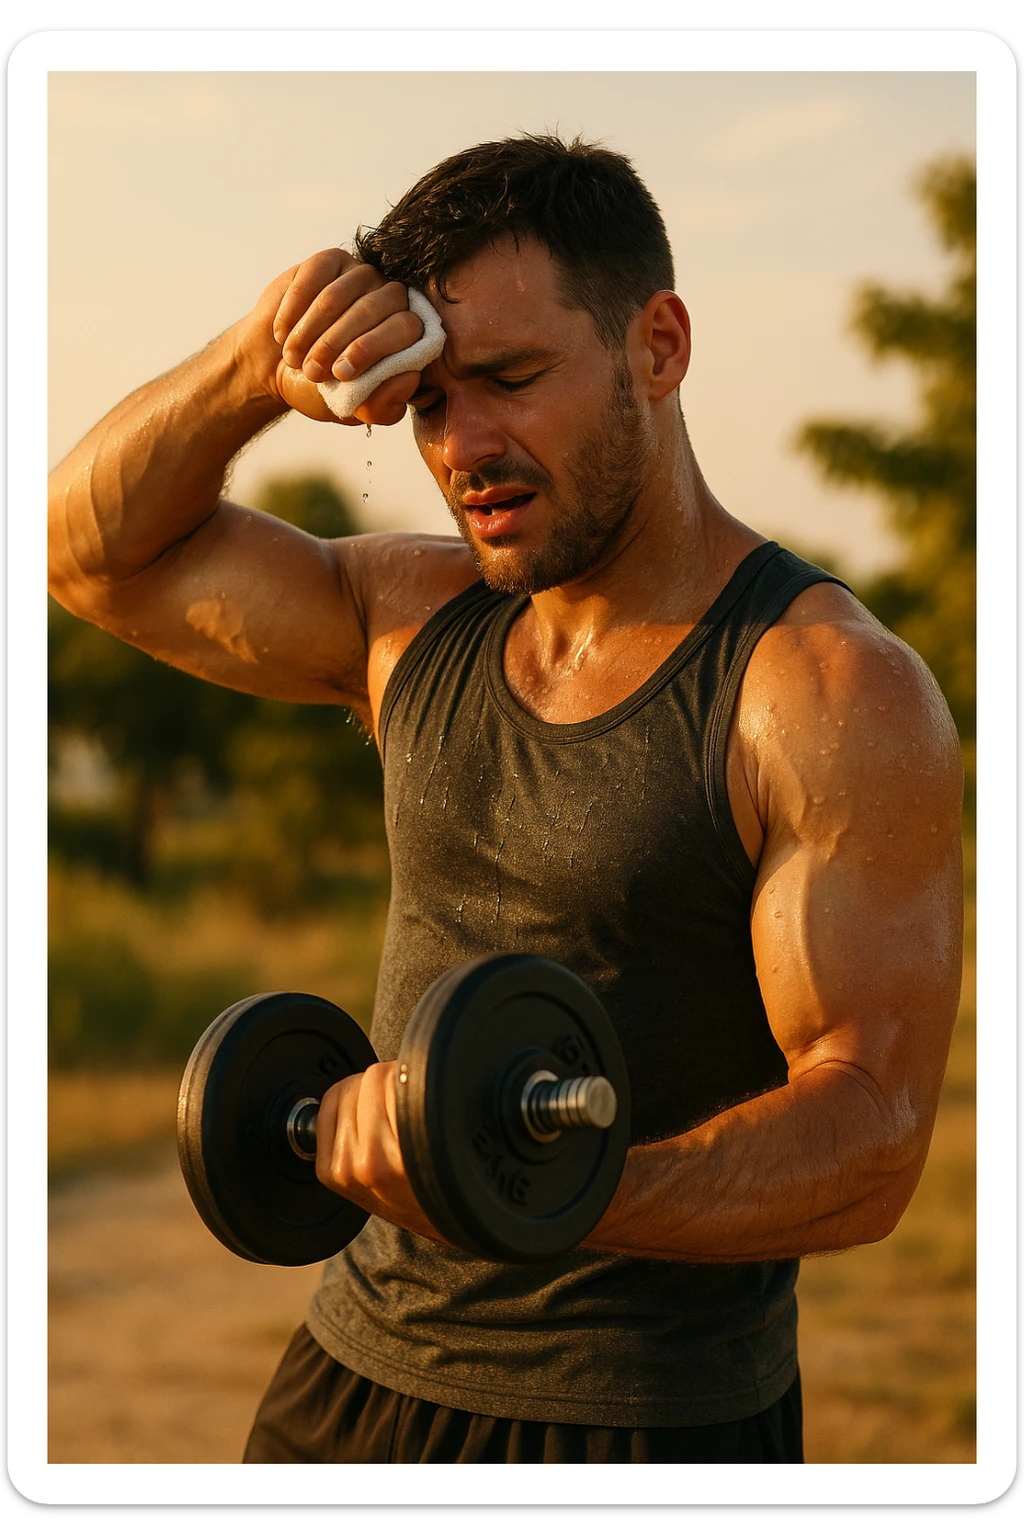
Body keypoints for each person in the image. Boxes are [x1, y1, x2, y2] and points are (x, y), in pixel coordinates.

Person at [47, 135, 964, 1465]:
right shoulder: (412, 619)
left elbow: (871, 1135)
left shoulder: (824, 691)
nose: (463, 445)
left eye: (513, 381)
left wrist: (529, 1185)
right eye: (427, 402)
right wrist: (260, 356)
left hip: (643, 1426)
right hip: (348, 1384)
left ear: (659, 346)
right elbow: (88, 553)